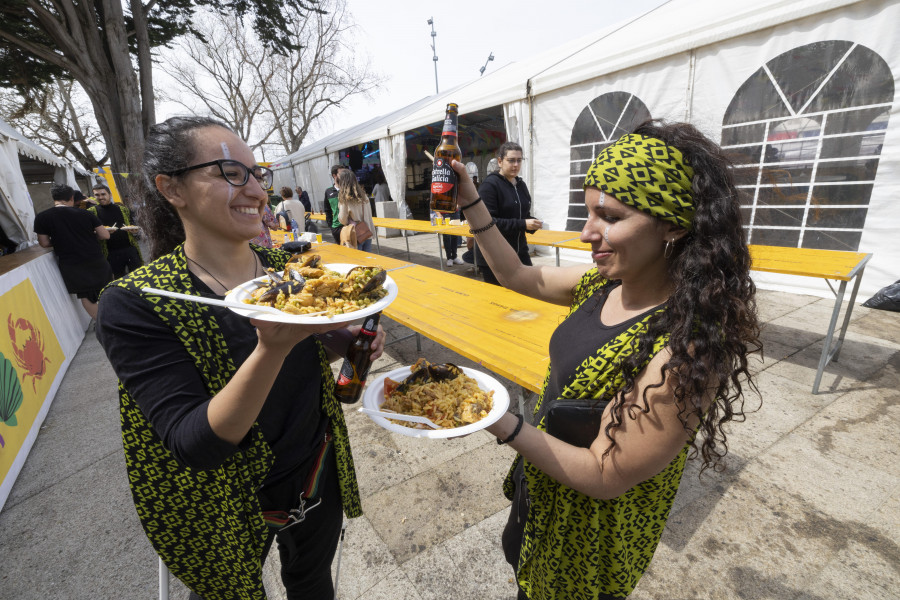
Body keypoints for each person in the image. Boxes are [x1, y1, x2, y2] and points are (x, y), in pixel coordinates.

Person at [448, 120, 761, 600]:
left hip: (589, 541)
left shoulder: (686, 347)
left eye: (610, 217)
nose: (586, 234)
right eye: (589, 212)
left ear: (673, 226)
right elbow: (517, 275)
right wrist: (472, 199)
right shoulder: (603, 284)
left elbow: (604, 474)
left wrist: (496, 419)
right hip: (546, 490)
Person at [95, 116, 384, 600]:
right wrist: (271, 347)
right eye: (231, 172)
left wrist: (340, 338)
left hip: (314, 468)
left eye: (257, 174)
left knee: (312, 583)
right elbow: (196, 444)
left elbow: (308, 347)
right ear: (173, 189)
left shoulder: (283, 269)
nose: (255, 190)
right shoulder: (136, 301)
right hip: (221, 500)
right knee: (230, 592)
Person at [33, 183, 112, 319]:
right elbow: (105, 235)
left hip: (71, 263)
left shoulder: (42, 217)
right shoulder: (85, 213)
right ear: (71, 198)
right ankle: (116, 318)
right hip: (95, 257)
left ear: (54, 198)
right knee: (108, 288)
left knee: (86, 295)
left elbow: (44, 243)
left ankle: (103, 324)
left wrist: (60, 241)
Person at [475, 142, 543, 285]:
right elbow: (488, 223)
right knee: (501, 302)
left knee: (529, 291)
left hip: (519, 251)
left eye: (519, 160)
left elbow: (522, 215)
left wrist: (531, 222)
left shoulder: (520, 185)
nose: (516, 165)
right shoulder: (490, 185)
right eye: (511, 160)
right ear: (500, 161)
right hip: (495, 255)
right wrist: (523, 224)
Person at [87, 183, 145, 278]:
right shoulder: (91, 212)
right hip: (110, 253)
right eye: (97, 195)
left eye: (103, 194)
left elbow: (132, 225)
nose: (100, 197)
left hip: (130, 249)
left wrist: (135, 232)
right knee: (119, 280)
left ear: (110, 195)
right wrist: (100, 233)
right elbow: (89, 233)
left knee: (139, 277)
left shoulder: (123, 209)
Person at [337, 169, 376, 252]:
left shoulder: (345, 199)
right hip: (367, 232)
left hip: (355, 235)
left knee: (358, 262)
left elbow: (343, 220)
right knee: (367, 261)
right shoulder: (363, 195)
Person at [323, 164, 347, 243]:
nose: (344, 176)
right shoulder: (328, 191)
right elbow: (327, 210)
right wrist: (331, 227)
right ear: (334, 175)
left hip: (349, 226)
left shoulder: (348, 189)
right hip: (336, 227)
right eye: (341, 174)